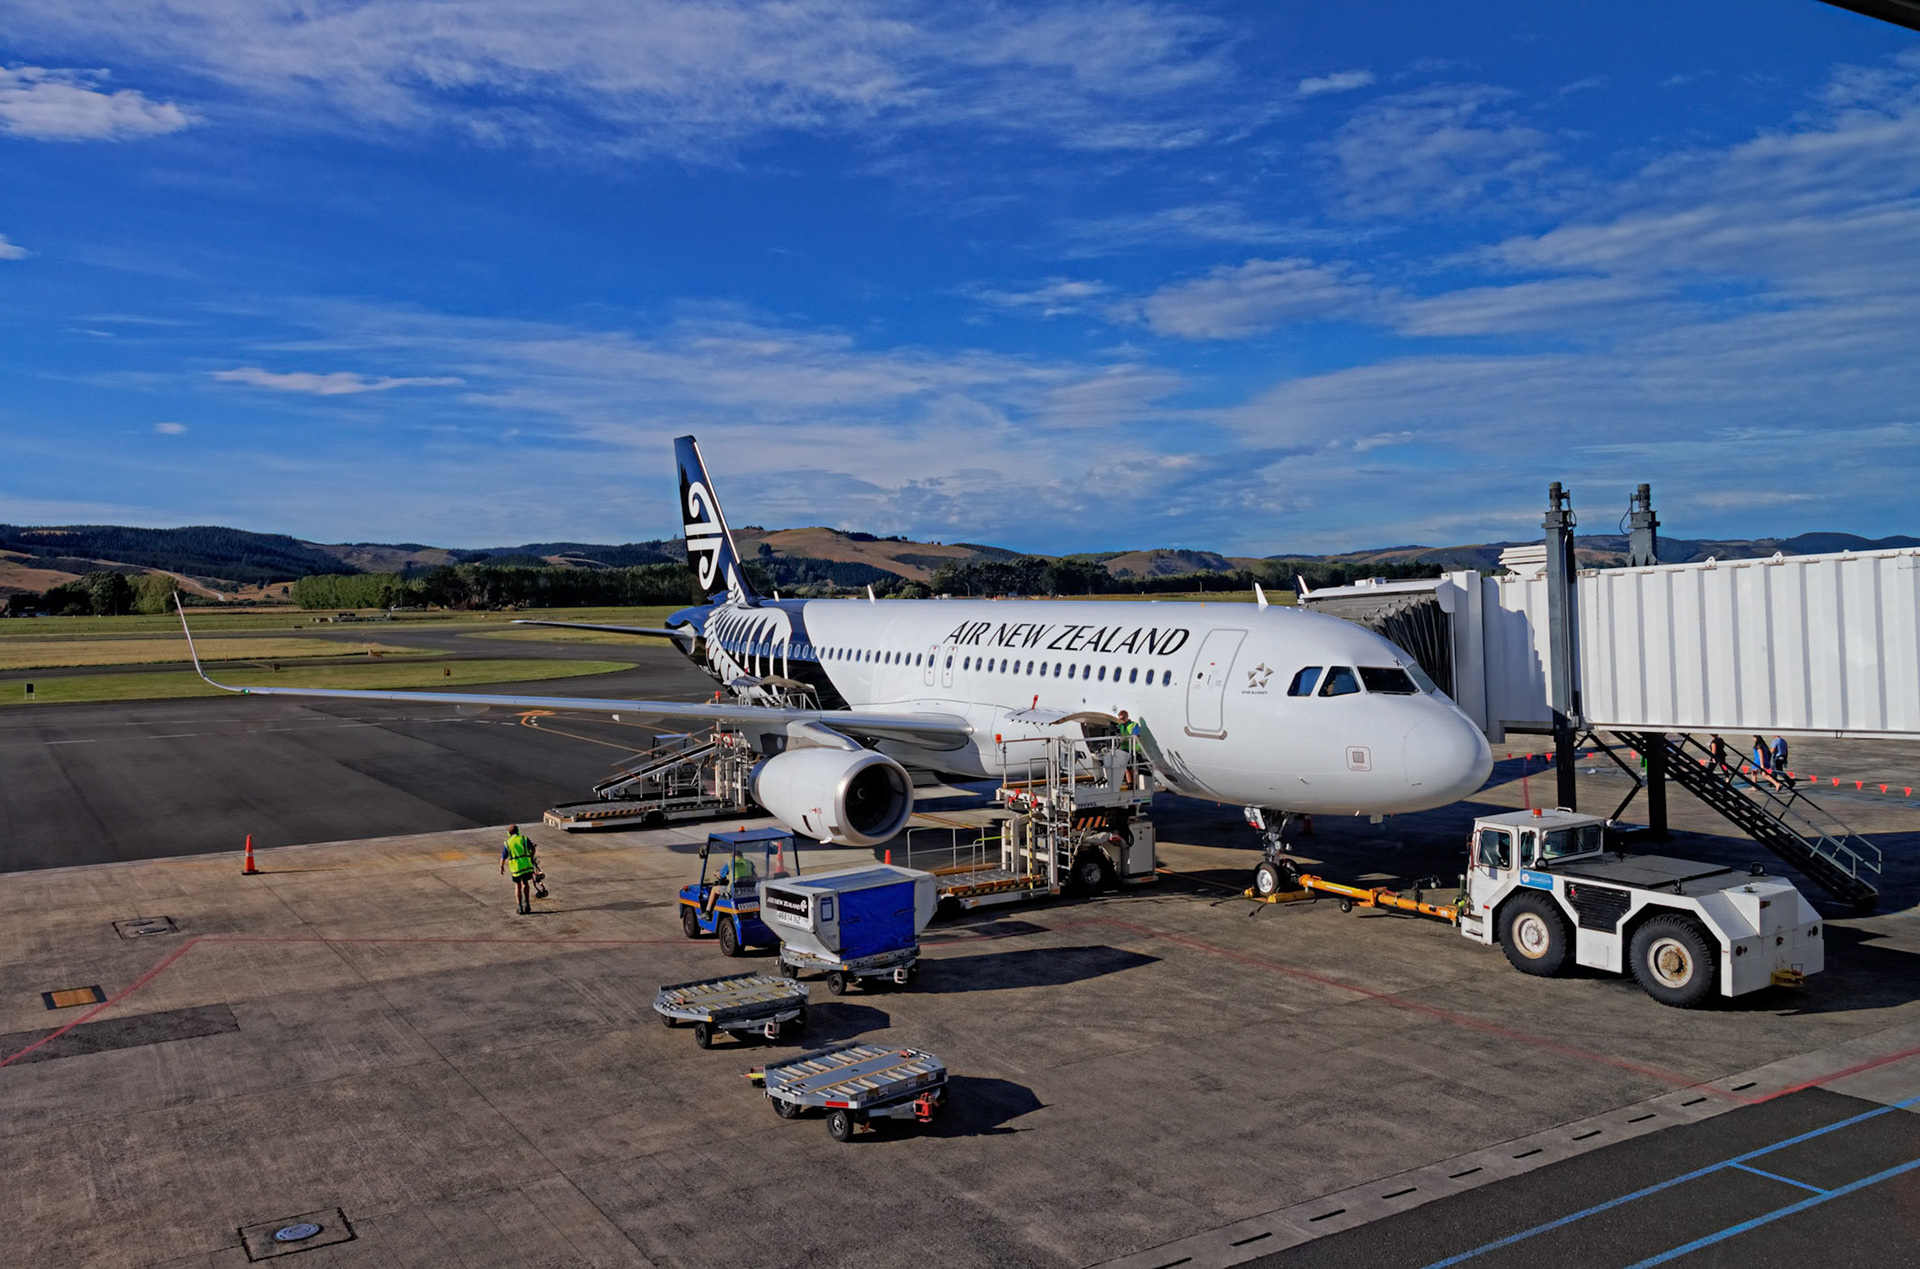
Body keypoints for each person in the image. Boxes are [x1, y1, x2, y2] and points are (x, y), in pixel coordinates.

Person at [500, 824, 538, 915]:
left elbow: (503, 856)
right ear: (518, 831)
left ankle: (520, 907)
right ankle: (527, 904)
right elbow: (532, 848)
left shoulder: (508, 843)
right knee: (526, 884)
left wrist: (501, 866)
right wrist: (531, 856)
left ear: (509, 833)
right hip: (526, 866)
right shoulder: (524, 839)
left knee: (517, 886)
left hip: (516, 868)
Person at [1116, 709, 1140, 789]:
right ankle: (1130, 783)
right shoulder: (1120, 726)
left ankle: (1133, 784)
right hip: (1124, 748)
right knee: (1126, 767)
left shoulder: (1134, 725)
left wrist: (1125, 739)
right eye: (1120, 719)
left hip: (1132, 749)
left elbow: (1136, 736)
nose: (1121, 721)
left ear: (1127, 717)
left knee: (1130, 767)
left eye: (1122, 719)